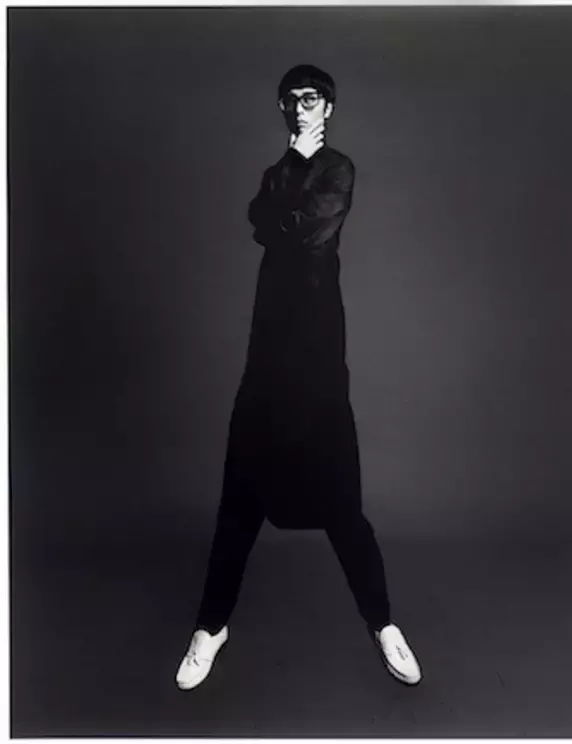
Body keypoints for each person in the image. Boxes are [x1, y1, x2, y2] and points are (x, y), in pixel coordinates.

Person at [175, 64, 422, 690]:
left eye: (310, 98)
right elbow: (261, 220)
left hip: (317, 355)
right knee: (239, 502)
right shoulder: (277, 171)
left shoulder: (338, 169)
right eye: (289, 99)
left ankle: (383, 623)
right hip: (267, 356)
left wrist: (290, 190)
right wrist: (288, 174)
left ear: (329, 108)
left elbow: (305, 232)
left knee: (343, 507)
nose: (299, 107)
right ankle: (210, 628)